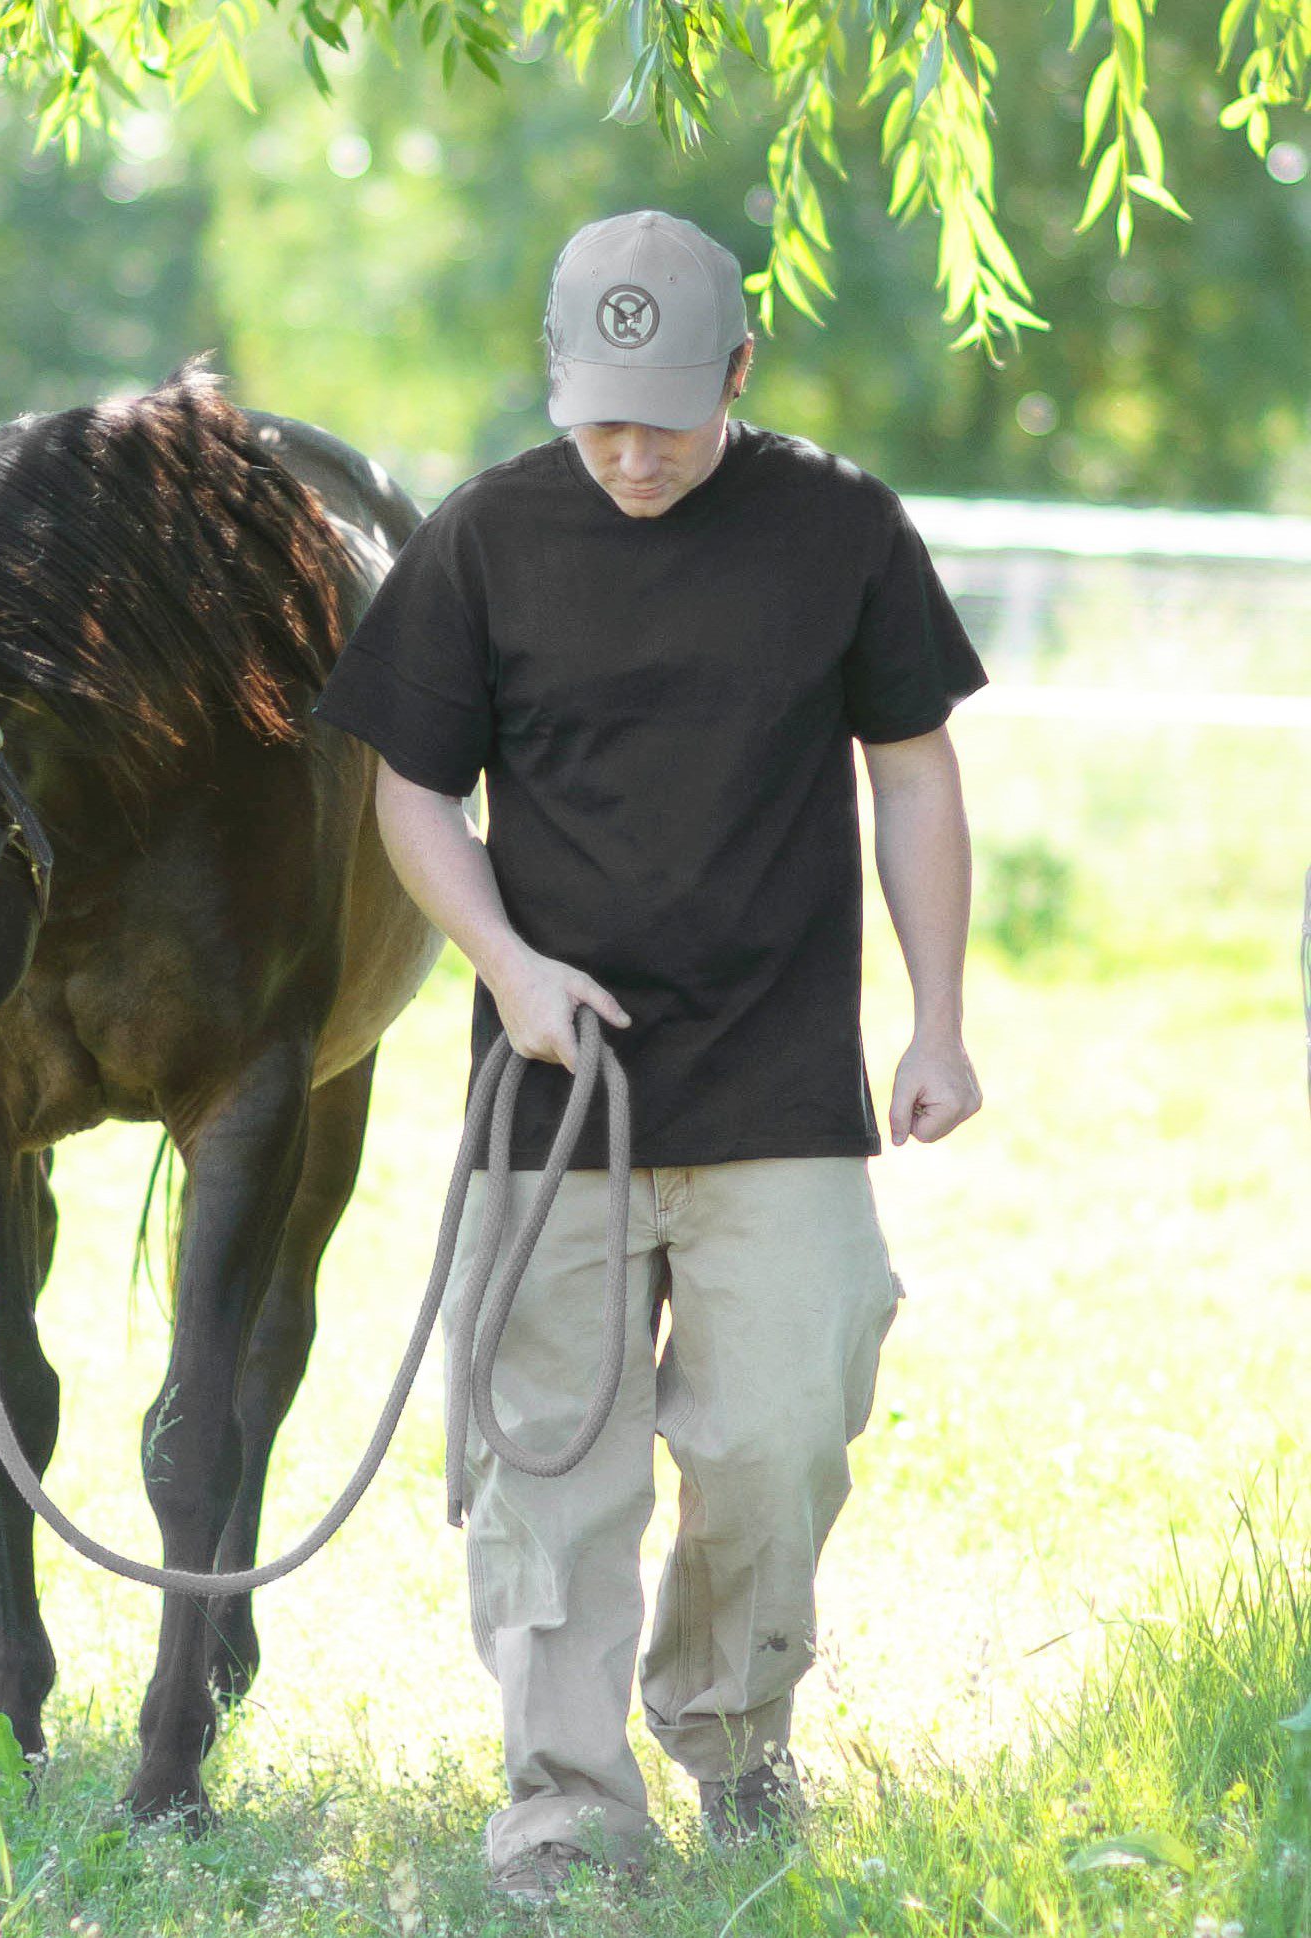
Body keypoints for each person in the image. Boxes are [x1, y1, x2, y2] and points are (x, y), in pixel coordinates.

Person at [310, 208, 987, 1899]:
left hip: (778, 1086)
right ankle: (561, 1799)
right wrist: (509, 968)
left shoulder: (841, 530)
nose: (630, 451)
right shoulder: (483, 540)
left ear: (739, 375)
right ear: (557, 382)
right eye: (601, 415)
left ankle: (734, 1735)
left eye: (668, 419)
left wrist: (942, 1019)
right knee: (553, 1458)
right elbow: (411, 791)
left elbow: (912, 772)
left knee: (781, 1430)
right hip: (554, 1098)